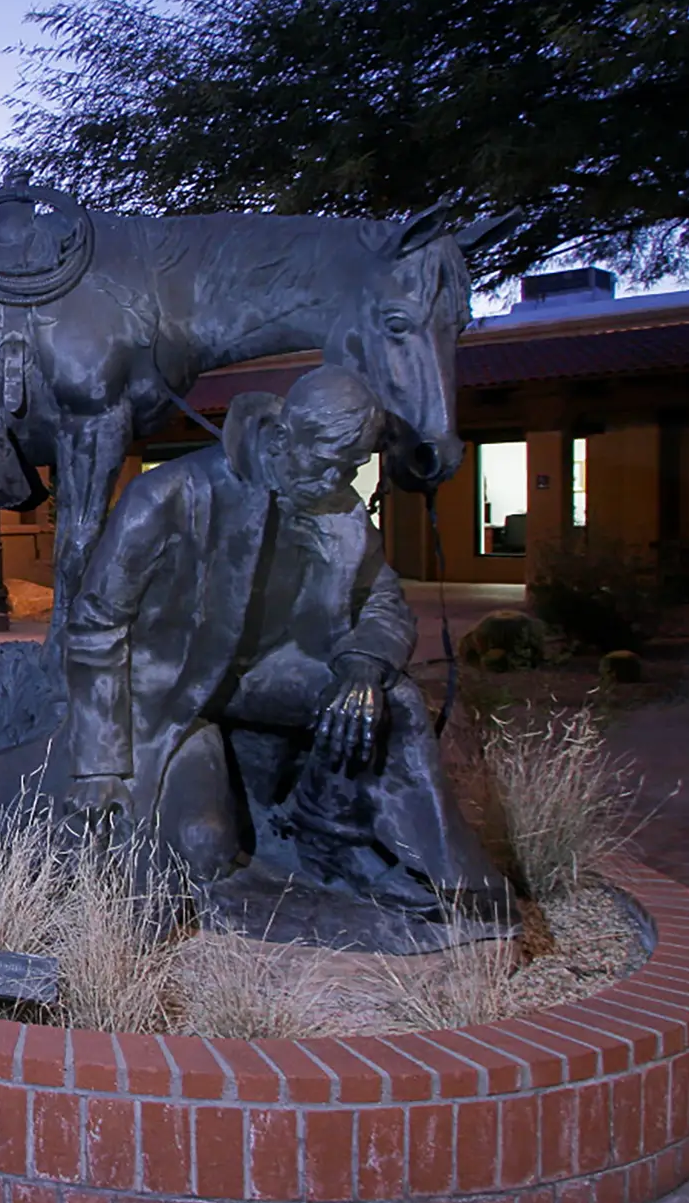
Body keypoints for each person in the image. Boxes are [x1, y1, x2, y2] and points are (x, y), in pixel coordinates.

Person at [59, 366, 508, 918]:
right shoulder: (169, 494)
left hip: (266, 675)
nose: (338, 482)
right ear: (284, 437)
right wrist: (99, 763)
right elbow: (96, 623)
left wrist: (365, 664)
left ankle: (383, 854)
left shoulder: (338, 506)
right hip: (171, 688)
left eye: (354, 467)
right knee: (203, 846)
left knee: (393, 699)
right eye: (329, 464)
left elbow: (383, 600)